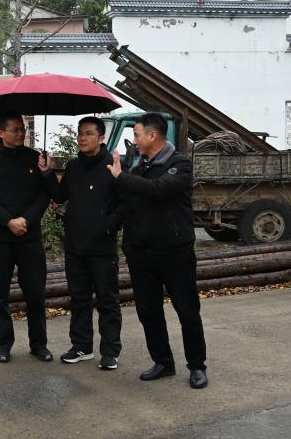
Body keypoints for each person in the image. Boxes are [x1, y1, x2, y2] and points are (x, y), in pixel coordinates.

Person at [106, 113, 209, 389]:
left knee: (187, 311)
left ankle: (197, 366)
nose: (135, 141)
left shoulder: (179, 165)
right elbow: (128, 204)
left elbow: (158, 190)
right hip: (142, 253)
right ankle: (163, 362)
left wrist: (121, 177)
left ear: (152, 135)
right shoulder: (139, 167)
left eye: (137, 135)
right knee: (148, 311)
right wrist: (108, 229)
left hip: (174, 252)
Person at [39, 116, 123, 369]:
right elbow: (59, 195)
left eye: (88, 133)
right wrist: (47, 173)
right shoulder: (74, 166)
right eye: (80, 133)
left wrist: (107, 227)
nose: (82, 138)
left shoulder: (113, 166)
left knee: (107, 300)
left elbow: (125, 204)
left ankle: (110, 351)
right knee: (79, 299)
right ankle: (81, 346)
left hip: (102, 246)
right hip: (75, 244)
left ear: (101, 138)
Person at [0, 112, 51, 363]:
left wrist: (26, 220)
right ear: (1, 132)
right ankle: (3, 345)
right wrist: (8, 221)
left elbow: (43, 195)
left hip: (29, 237)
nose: (21, 134)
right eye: (15, 129)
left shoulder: (34, 158)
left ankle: (39, 344)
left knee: (36, 293)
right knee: (1, 295)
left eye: (23, 129)